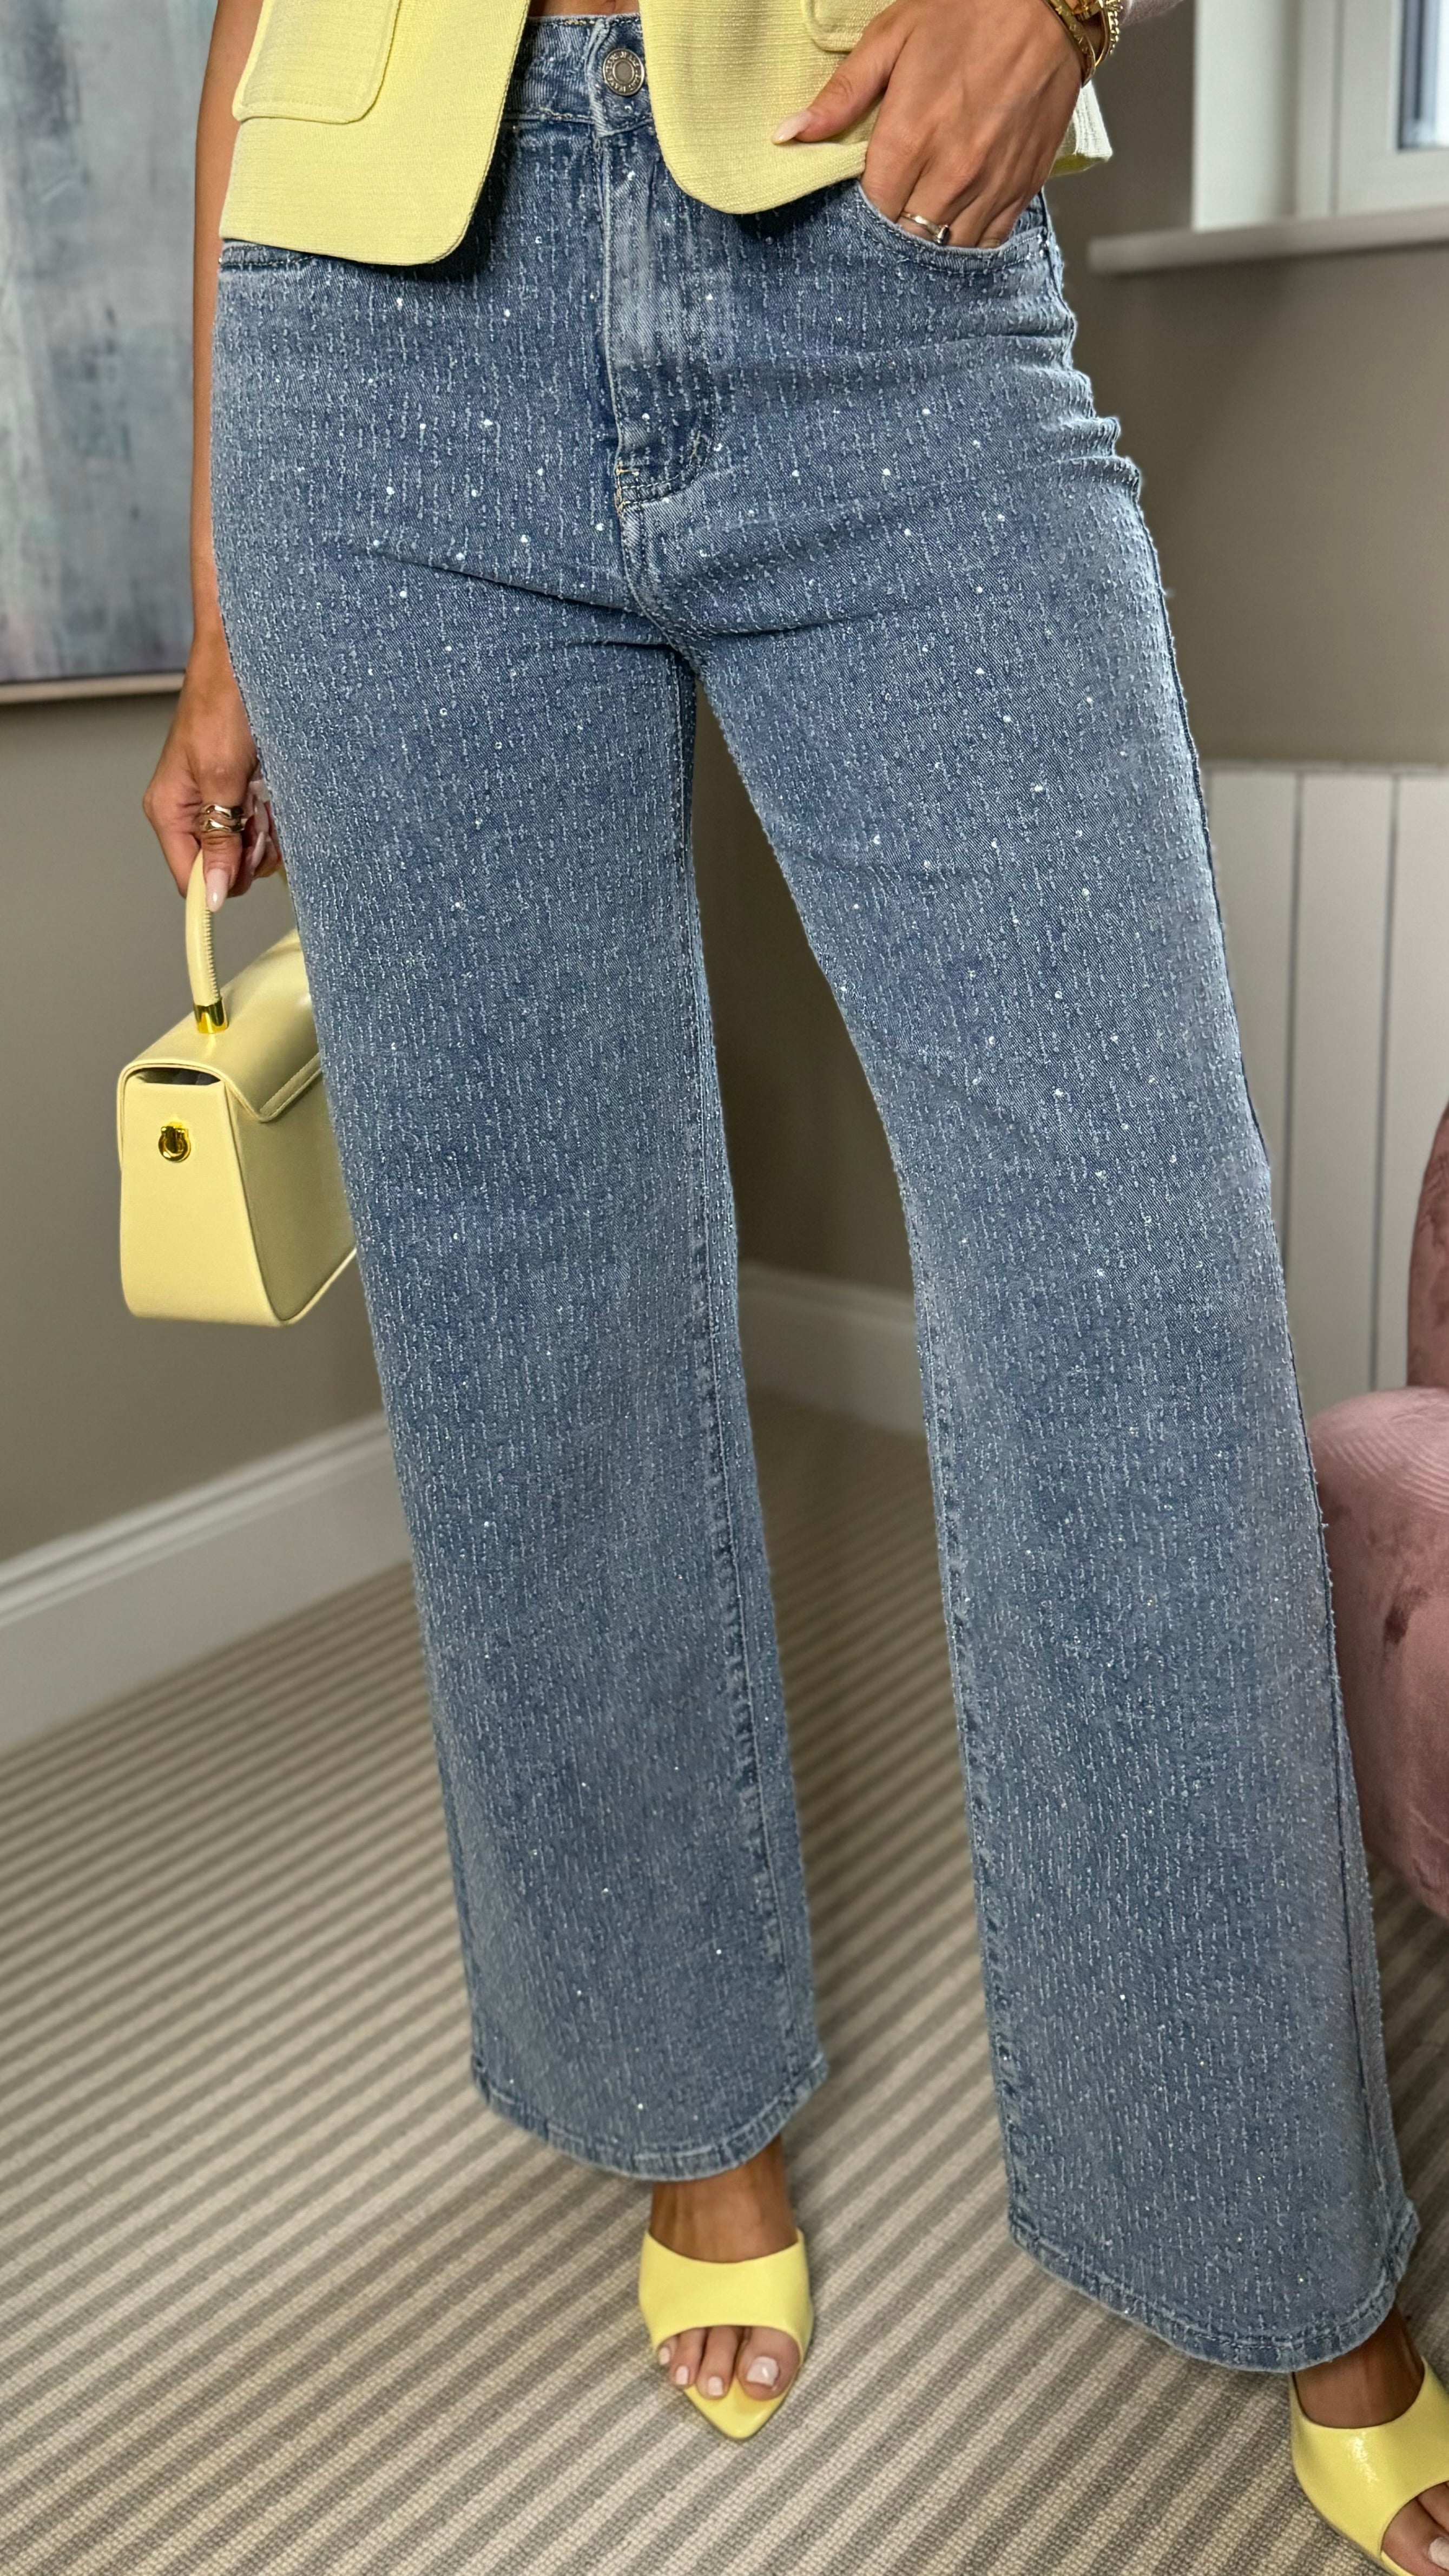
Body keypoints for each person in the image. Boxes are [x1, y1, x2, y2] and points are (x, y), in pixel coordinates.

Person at [143, 0, 1449, 2555]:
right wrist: (213, 612)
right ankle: (680, 2097)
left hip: (877, 253)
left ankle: (1280, 2226)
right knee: (528, 1309)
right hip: (367, 343)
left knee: (1135, 1290)